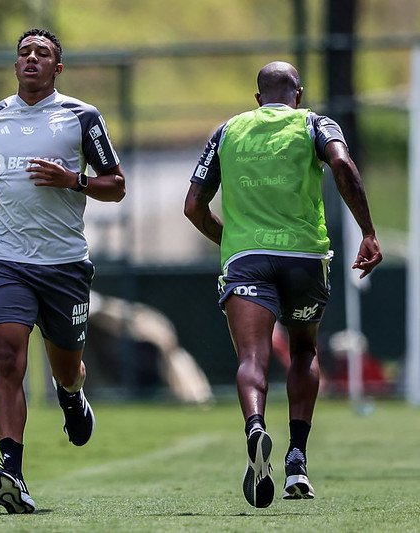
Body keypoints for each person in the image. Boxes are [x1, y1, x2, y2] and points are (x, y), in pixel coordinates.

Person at [184, 61, 382, 508]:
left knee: (252, 357)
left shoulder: (227, 130)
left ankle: (256, 428)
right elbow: (343, 165)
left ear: (258, 99)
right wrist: (368, 231)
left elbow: (194, 205)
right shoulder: (315, 122)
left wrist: (230, 240)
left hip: (247, 259)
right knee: (305, 350)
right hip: (304, 258)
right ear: (298, 93)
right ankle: (297, 461)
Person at [0, 28, 126, 514]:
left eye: (42, 53)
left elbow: (116, 185)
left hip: (65, 264)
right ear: (15, 66)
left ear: (57, 68)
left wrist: (74, 180)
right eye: (24, 52)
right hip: (6, 260)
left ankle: (71, 395)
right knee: (7, 357)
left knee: (65, 366)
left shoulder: (81, 117)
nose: (31, 58)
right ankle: (11, 469)